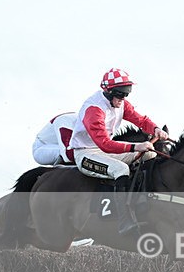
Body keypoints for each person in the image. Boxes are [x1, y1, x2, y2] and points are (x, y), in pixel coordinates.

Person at [67, 68, 168, 235]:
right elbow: (105, 144)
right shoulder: (94, 110)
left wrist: (155, 129)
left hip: (104, 150)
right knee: (121, 169)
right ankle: (124, 220)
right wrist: (136, 146)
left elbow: (140, 120)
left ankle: (143, 202)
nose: (123, 99)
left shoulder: (120, 102)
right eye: (121, 95)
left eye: (126, 94)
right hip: (86, 154)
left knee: (151, 155)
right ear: (108, 92)